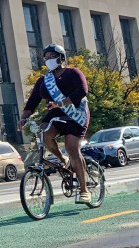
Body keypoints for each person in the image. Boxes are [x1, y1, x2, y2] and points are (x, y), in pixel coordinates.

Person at [18, 44, 92, 204]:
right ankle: (62, 158)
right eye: (46, 58)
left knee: (72, 148)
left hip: (76, 114)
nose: (48, 60)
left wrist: (61, 103)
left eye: (52, 56)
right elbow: (32, 102)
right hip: (56, 114)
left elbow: (82, 91)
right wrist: (23, 118)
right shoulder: (44, 80)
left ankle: (84, 190)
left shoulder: (73, 73)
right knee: (43, 134)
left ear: (61, 57)